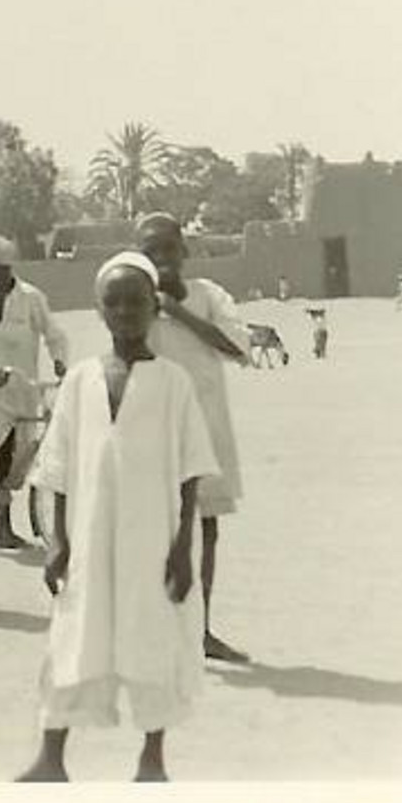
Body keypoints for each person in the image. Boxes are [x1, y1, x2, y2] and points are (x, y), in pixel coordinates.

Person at [18, 252, 215, 783]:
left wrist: (182, 549)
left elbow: (191, 471)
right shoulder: (80, 380)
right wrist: (57, 541)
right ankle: (50, 758)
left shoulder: (174, 383)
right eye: (114, 302)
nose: (125, 311)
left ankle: (152, 760)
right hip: (88, 539)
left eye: (136, 301)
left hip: (153, 539)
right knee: (74, 635)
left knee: (153, 636)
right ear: (98, 310)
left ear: (155, 307)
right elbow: (55, 467)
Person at [136, 214, 252, 664]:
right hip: (153, 437)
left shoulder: (209, 295)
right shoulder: (134, 301)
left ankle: (200, 631)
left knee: (207, 529)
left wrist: (179, 311)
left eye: (169, 248)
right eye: (151, 251)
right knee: (155, 534)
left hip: (206, 433)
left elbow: (238, 347)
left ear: (184, 251)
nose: (162, 258)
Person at [0, 233, 69, 550]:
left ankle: (2, 506)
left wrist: (60, 361)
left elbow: (54, 333)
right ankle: (3, 527)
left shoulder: (31, 297)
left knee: (18, 456)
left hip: (21, 386)